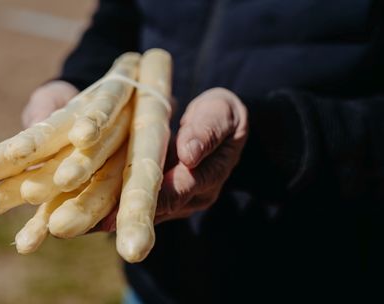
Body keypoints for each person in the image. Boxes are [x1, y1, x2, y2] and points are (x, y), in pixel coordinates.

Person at [22, 1, 384, 303]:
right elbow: (121, 19)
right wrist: (77, 85)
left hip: (323, 271)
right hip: (155, 281)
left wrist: (275, 136)